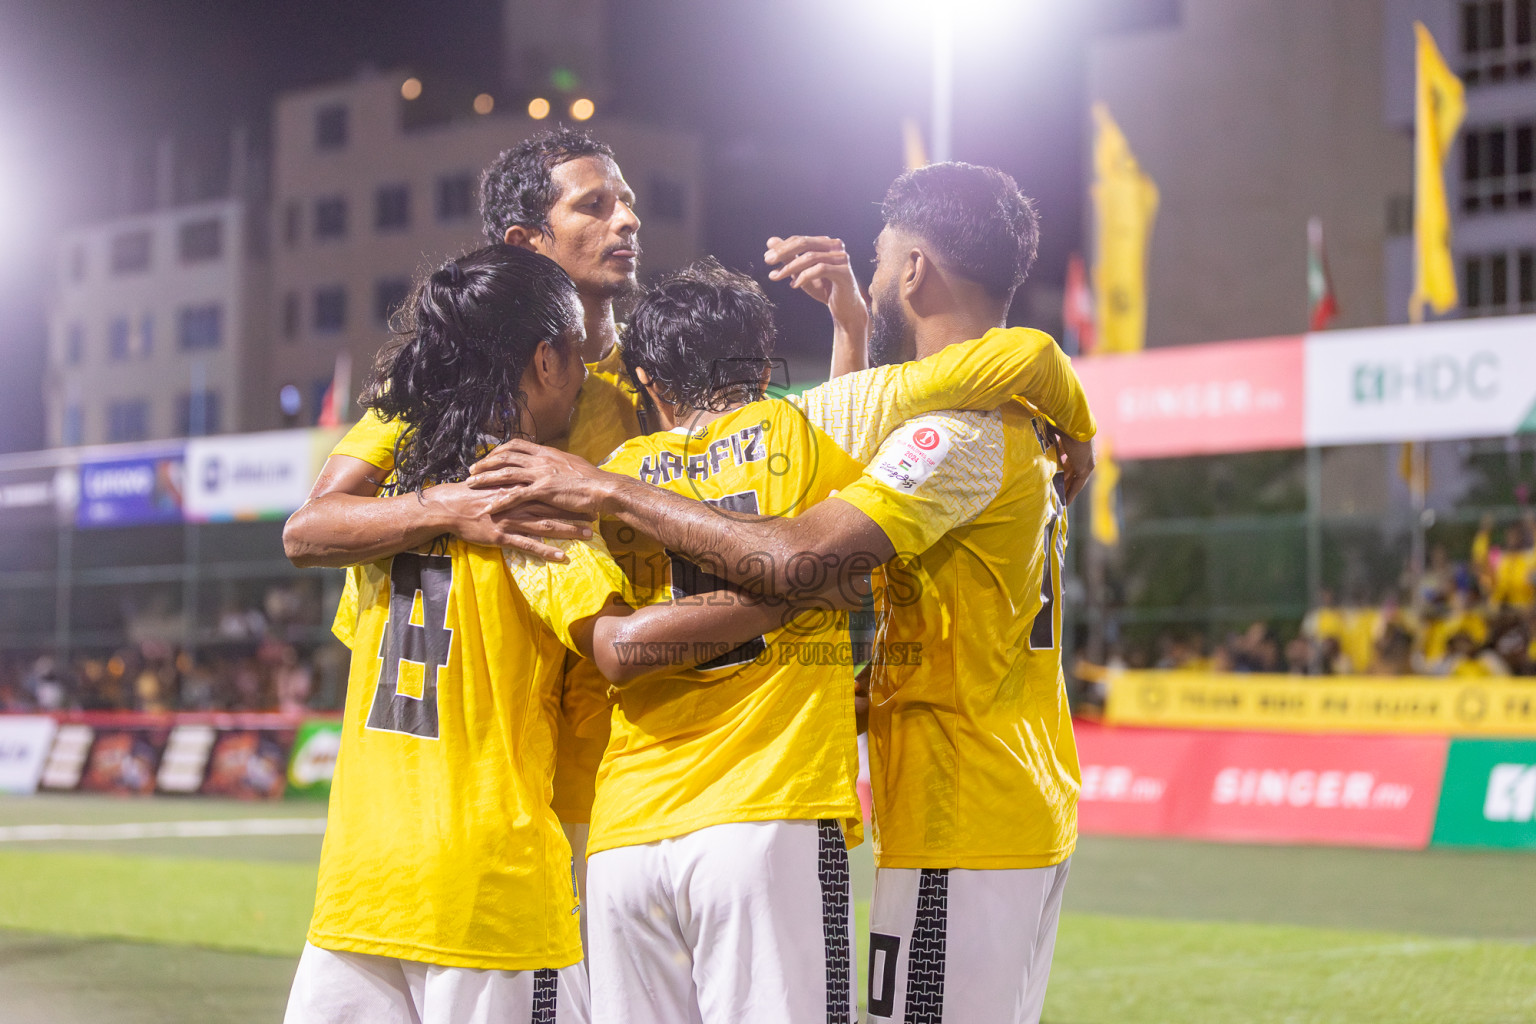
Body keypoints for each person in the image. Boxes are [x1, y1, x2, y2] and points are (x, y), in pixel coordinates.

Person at [468, 162, 1096, 1024]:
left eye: (879, 261)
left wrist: (608, 490)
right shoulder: (829, 431)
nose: (873, 278)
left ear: (913, 272)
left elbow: (791, 550)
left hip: (928, 806)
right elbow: (807, 517)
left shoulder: (946, 431)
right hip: (890, 800)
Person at [283, 127, 871, 909]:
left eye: (627, 201)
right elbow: (311, 527)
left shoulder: (654, 382)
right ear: (527, 240)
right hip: (500, 771)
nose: (626, 220)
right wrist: (455, 507)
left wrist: (851, 328)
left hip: (629, 768)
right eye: (594, 205)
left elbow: (782, 477)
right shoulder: (461, 385)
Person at [283, 245, 781, 1024]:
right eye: (578, 356)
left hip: (360, 883)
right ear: (545, 359)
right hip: (491, 891)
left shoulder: (393, 505)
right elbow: (620, 647)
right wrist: (782, 591)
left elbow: (318, 548)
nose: (585, 378)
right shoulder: (531, 500)